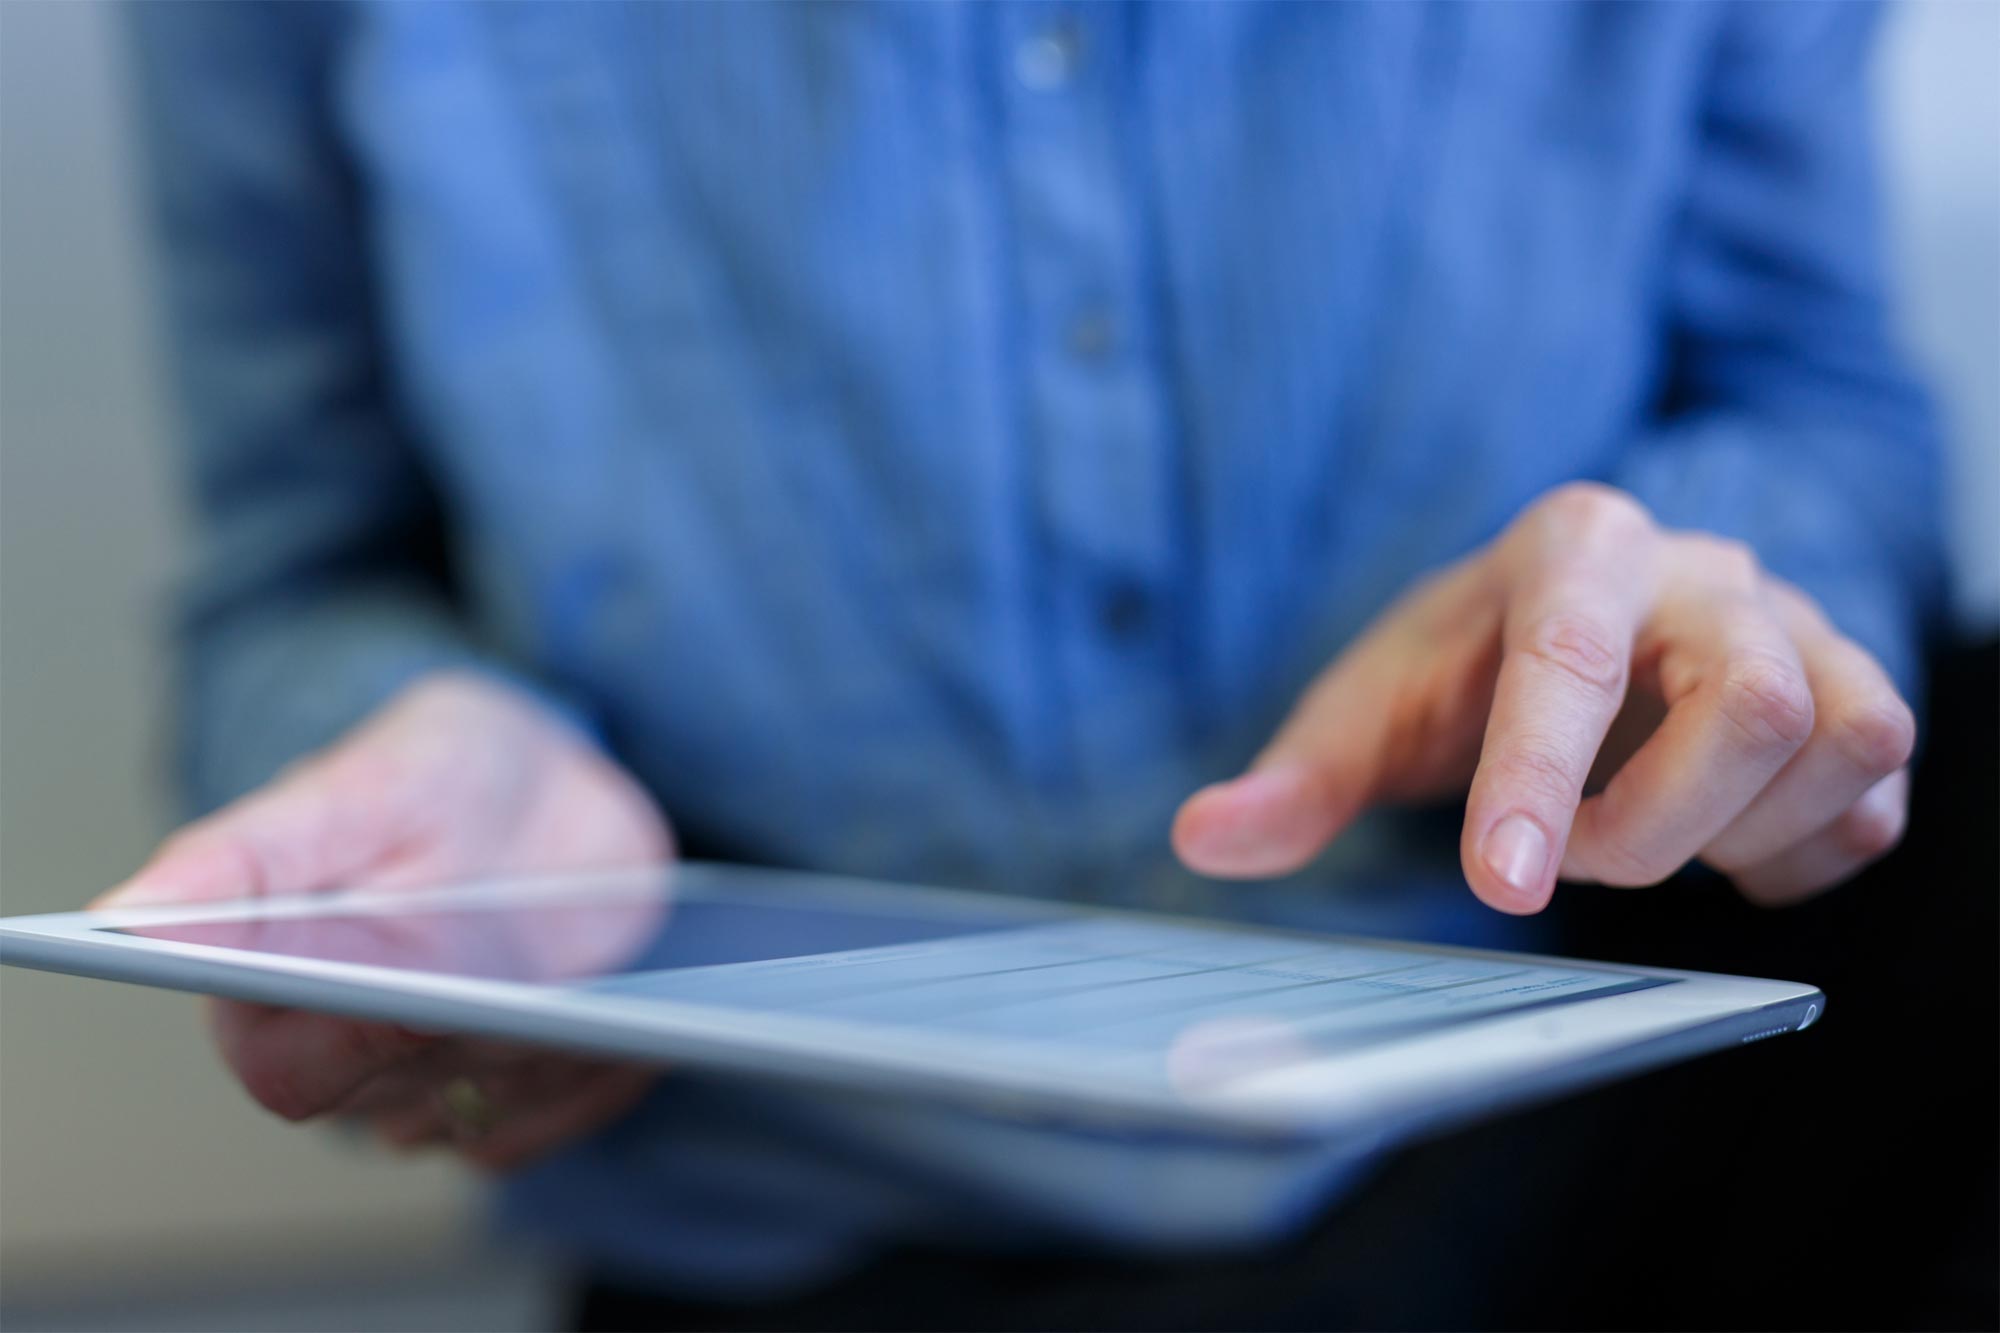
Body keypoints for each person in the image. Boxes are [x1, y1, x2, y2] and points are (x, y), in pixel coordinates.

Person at [101, 1, 1945, 1326]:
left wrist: (1708, 606)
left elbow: (1822, 401)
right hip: (774, 1228)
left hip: (1604, 1184)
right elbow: (299, 568)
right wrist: (440, 774)